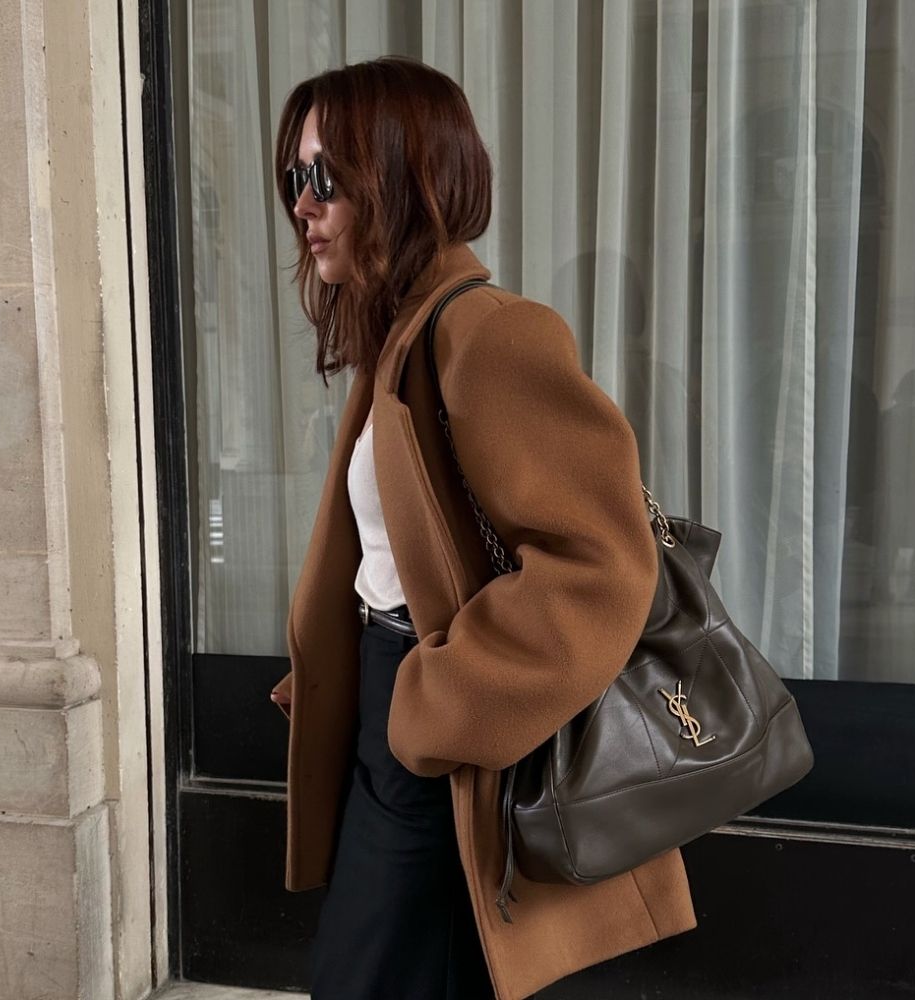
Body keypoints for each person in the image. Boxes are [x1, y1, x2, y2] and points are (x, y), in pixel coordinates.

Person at [269, 55, 697, 1000]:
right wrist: (345, 674)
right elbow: (395, 554)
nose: (302, 204)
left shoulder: (489, 334)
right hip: (402, 718)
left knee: (369, 975)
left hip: (442, 732)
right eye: (293, 177)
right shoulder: (398, 334)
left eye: (324, 177)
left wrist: (437, 700)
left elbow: (603, 565)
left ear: (401, 175)